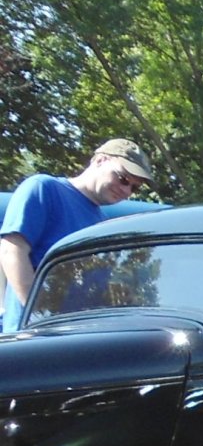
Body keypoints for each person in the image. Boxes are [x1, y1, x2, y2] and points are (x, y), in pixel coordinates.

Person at [1, 139, 154, 332]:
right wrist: (41, 314)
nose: (126, 191)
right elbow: (11, 250)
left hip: (78, 339)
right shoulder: (44, 189)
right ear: (100, 160)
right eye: (123, 178)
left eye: (134, 187)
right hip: (32, 338)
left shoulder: (102, 223)